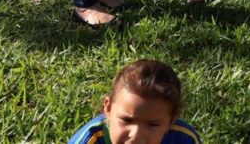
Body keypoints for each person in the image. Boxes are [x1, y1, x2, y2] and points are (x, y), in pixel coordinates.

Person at [67, 59, 202, 144]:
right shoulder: (90, 140)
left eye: (153, 125)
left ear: (171, 121)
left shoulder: (183, 138)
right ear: (108, 108)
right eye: (127, 120)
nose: (136, 136)